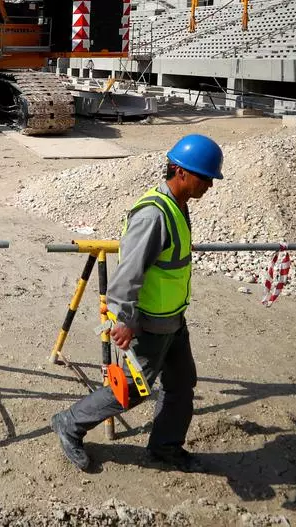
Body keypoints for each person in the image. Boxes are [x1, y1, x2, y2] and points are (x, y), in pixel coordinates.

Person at [51, 133, 224, 473]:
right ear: (181, 172)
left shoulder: (178, 205)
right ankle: (69, 423)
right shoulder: (154, 216)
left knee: (180, 383)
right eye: (205, 178)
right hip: (148, 323)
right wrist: (126, 319)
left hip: (173, 320)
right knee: (133, 388)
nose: (210, 186)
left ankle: (165, 447)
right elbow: (126, 276)